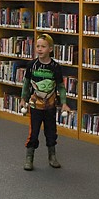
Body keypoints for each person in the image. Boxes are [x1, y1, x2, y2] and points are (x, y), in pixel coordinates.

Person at [21, 33, 71, 171]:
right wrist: (23, 99)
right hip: (35, 106)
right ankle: (29, 157)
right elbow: (26, 84)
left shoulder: (55, 67)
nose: (39, 49)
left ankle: (52, 156)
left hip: (50, 106)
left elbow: (61, 87)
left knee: (51, 132)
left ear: (50, 49)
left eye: (43, 46)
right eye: (37, 46)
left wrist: (64, 103)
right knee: (33, 132)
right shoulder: (31, 65)